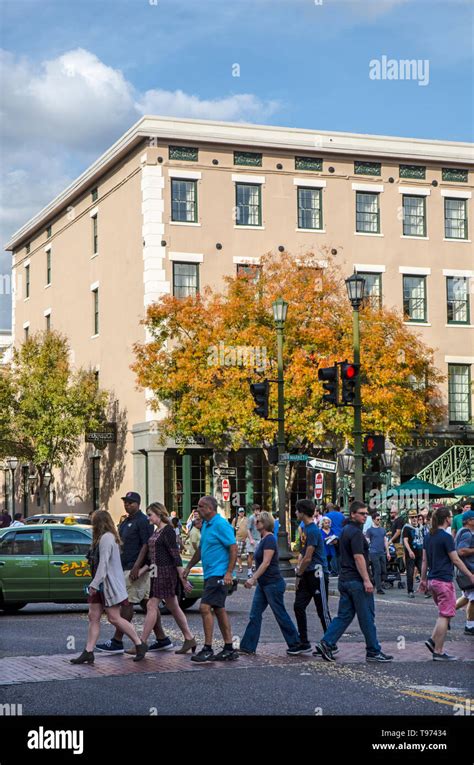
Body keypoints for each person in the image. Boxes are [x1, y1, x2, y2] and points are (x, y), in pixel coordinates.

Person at [316, 500, 393, 663]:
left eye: (366, 514)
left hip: (345, 579)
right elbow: (358, 557)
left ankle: (326, 642)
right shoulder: (356, 533)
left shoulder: (345, 530)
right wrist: (367, 580)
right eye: (362, 513)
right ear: (353, 514)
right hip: (356, 581)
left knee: (344, 616)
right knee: (367, 617)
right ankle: (373, 650)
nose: (365, 516)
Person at [96, 491, 173, 654]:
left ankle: (117, 641)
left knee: (127, 602)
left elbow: (146, 544)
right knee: (147, 604)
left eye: (130, 502)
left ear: (138, 504)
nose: (127, 505)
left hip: (135, 568)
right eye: (125, 502)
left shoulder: (143, 521)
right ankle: (162, 639)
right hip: (127, 566)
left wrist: (138, 566)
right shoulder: (126, 521)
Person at [70, 510, 147, 664]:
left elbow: (103, 564)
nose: (92, 524)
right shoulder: (107, 538)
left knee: (114, 618)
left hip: (107, 585)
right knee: (94, 616)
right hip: (103, 584)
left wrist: (94, 583)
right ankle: (88, 651)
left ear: (99, 522)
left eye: (93, 521)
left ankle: (139, 644)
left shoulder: (106, 538)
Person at [132, 503, 196, 656]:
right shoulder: (158, 531)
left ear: (159, 514)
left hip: (165, 572)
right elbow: (153, 556)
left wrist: (183, 579)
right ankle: (189, 638)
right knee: (173, 606)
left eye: (150, 515)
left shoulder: (167, 531)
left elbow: (175, 556)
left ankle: (142, 643)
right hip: (157, 571)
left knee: (152, 604)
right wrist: (142, 570)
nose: (148, 518)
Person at [183, 495, 239, 662]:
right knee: (219, 609)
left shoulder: (221, 524)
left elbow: (233, 547)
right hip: (210, 573)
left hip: (218, 574)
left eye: (200, 506)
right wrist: (188, 567)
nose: (197, 510)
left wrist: (229, 572)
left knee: (204, 608)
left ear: (209, 508)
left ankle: (207, 648)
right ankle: (228, 647)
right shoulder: (206, 525)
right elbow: (201, 549)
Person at [239, 512, 300, 655]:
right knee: (255, 614)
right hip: (264, 584)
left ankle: (295, 643)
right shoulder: (263, 539)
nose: (256, 522)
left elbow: (266, 563)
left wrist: (252, 578)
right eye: (256, 520)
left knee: (280, 614)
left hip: (273, 583)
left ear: (266, 523)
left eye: (259, 521)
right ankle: (248, 646)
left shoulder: (270, 539)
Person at [419, 507, 474, 660]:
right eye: (450, 516)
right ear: (447, 519)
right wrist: (470, 575)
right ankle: (439, 651)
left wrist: (423, 580)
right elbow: (455, 559)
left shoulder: (428, 536)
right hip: (443, 581)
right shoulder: (446, 537)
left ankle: (432, 640)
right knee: (445, 615)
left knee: (444, 613)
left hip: (432, 580)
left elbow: (424, 560)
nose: (452, 518)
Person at [290, 499, 331, 655]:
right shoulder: (306, 529)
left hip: (317, 572)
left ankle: (330, 642)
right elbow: (303, 554)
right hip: (308, 573)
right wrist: (300, 574)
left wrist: (298, 573)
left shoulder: (312, 530)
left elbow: (308, 556)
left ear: (302, 512)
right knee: (298, 606)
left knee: (322, 609)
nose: (295, 513)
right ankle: (304, 641)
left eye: (296, 511)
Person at [454, 509, 474, 636]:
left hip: (464, 570)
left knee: (467, 597)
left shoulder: (463, 531)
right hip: (468, 570)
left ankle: (445, 614)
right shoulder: (466, 533)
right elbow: (461, 551)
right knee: (473, 598)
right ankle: (470, 625)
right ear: (468, 521)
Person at [366, 512, 391, 595]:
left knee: (384, 570)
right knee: (378, 570)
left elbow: (385, 541)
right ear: (373, 520)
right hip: (373, 552)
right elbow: (367, 541)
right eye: (377, 519)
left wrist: (388, 553)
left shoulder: (382, 529)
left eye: (380, 519)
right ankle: (379, 588)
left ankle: (375, 582)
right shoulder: (370, 530)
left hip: (381, 552)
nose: (379, 521)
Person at [402, 510, 424, 598]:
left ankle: (426, 589)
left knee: (423, 572)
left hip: (420, 553)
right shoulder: (407, 528)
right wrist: (410, 551)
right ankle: (410, 591)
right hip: (410, 554)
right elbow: (405, 540)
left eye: (415, 517)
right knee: (410, 573)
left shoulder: (421, 527)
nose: (414, 519)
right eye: (412, 517)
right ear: (409, 518)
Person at [325, 504, 345, 575]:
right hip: (341, 535)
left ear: (327, 509)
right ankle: (340, 570)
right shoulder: (341, 515)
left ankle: (334, 571)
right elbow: (344, 524)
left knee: (333, 553)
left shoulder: (327, 516)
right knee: (339, 554)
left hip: (332, 536)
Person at [246, 504, 261, 577]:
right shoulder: (251, 518)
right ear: (253, 511)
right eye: (256, 510)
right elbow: (248, 529)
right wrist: (251, 539)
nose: (257, 511)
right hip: (252, 539)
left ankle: (258, 571)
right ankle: (249, 571)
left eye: (258, 510)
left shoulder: (260, 518)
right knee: (251, 556)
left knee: (258, 556)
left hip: (259, 539)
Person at [232, 508, 248, 573]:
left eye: (242, 512)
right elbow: (232, 527)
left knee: (249, 554)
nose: (241, 513)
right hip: (238, 538)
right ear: (238, 513)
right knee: (238, 554)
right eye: (240, 512)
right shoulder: (235, 519)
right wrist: (235, 528)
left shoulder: (247, 519)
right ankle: (240, 567)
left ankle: (250, 566)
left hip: (246, 539)